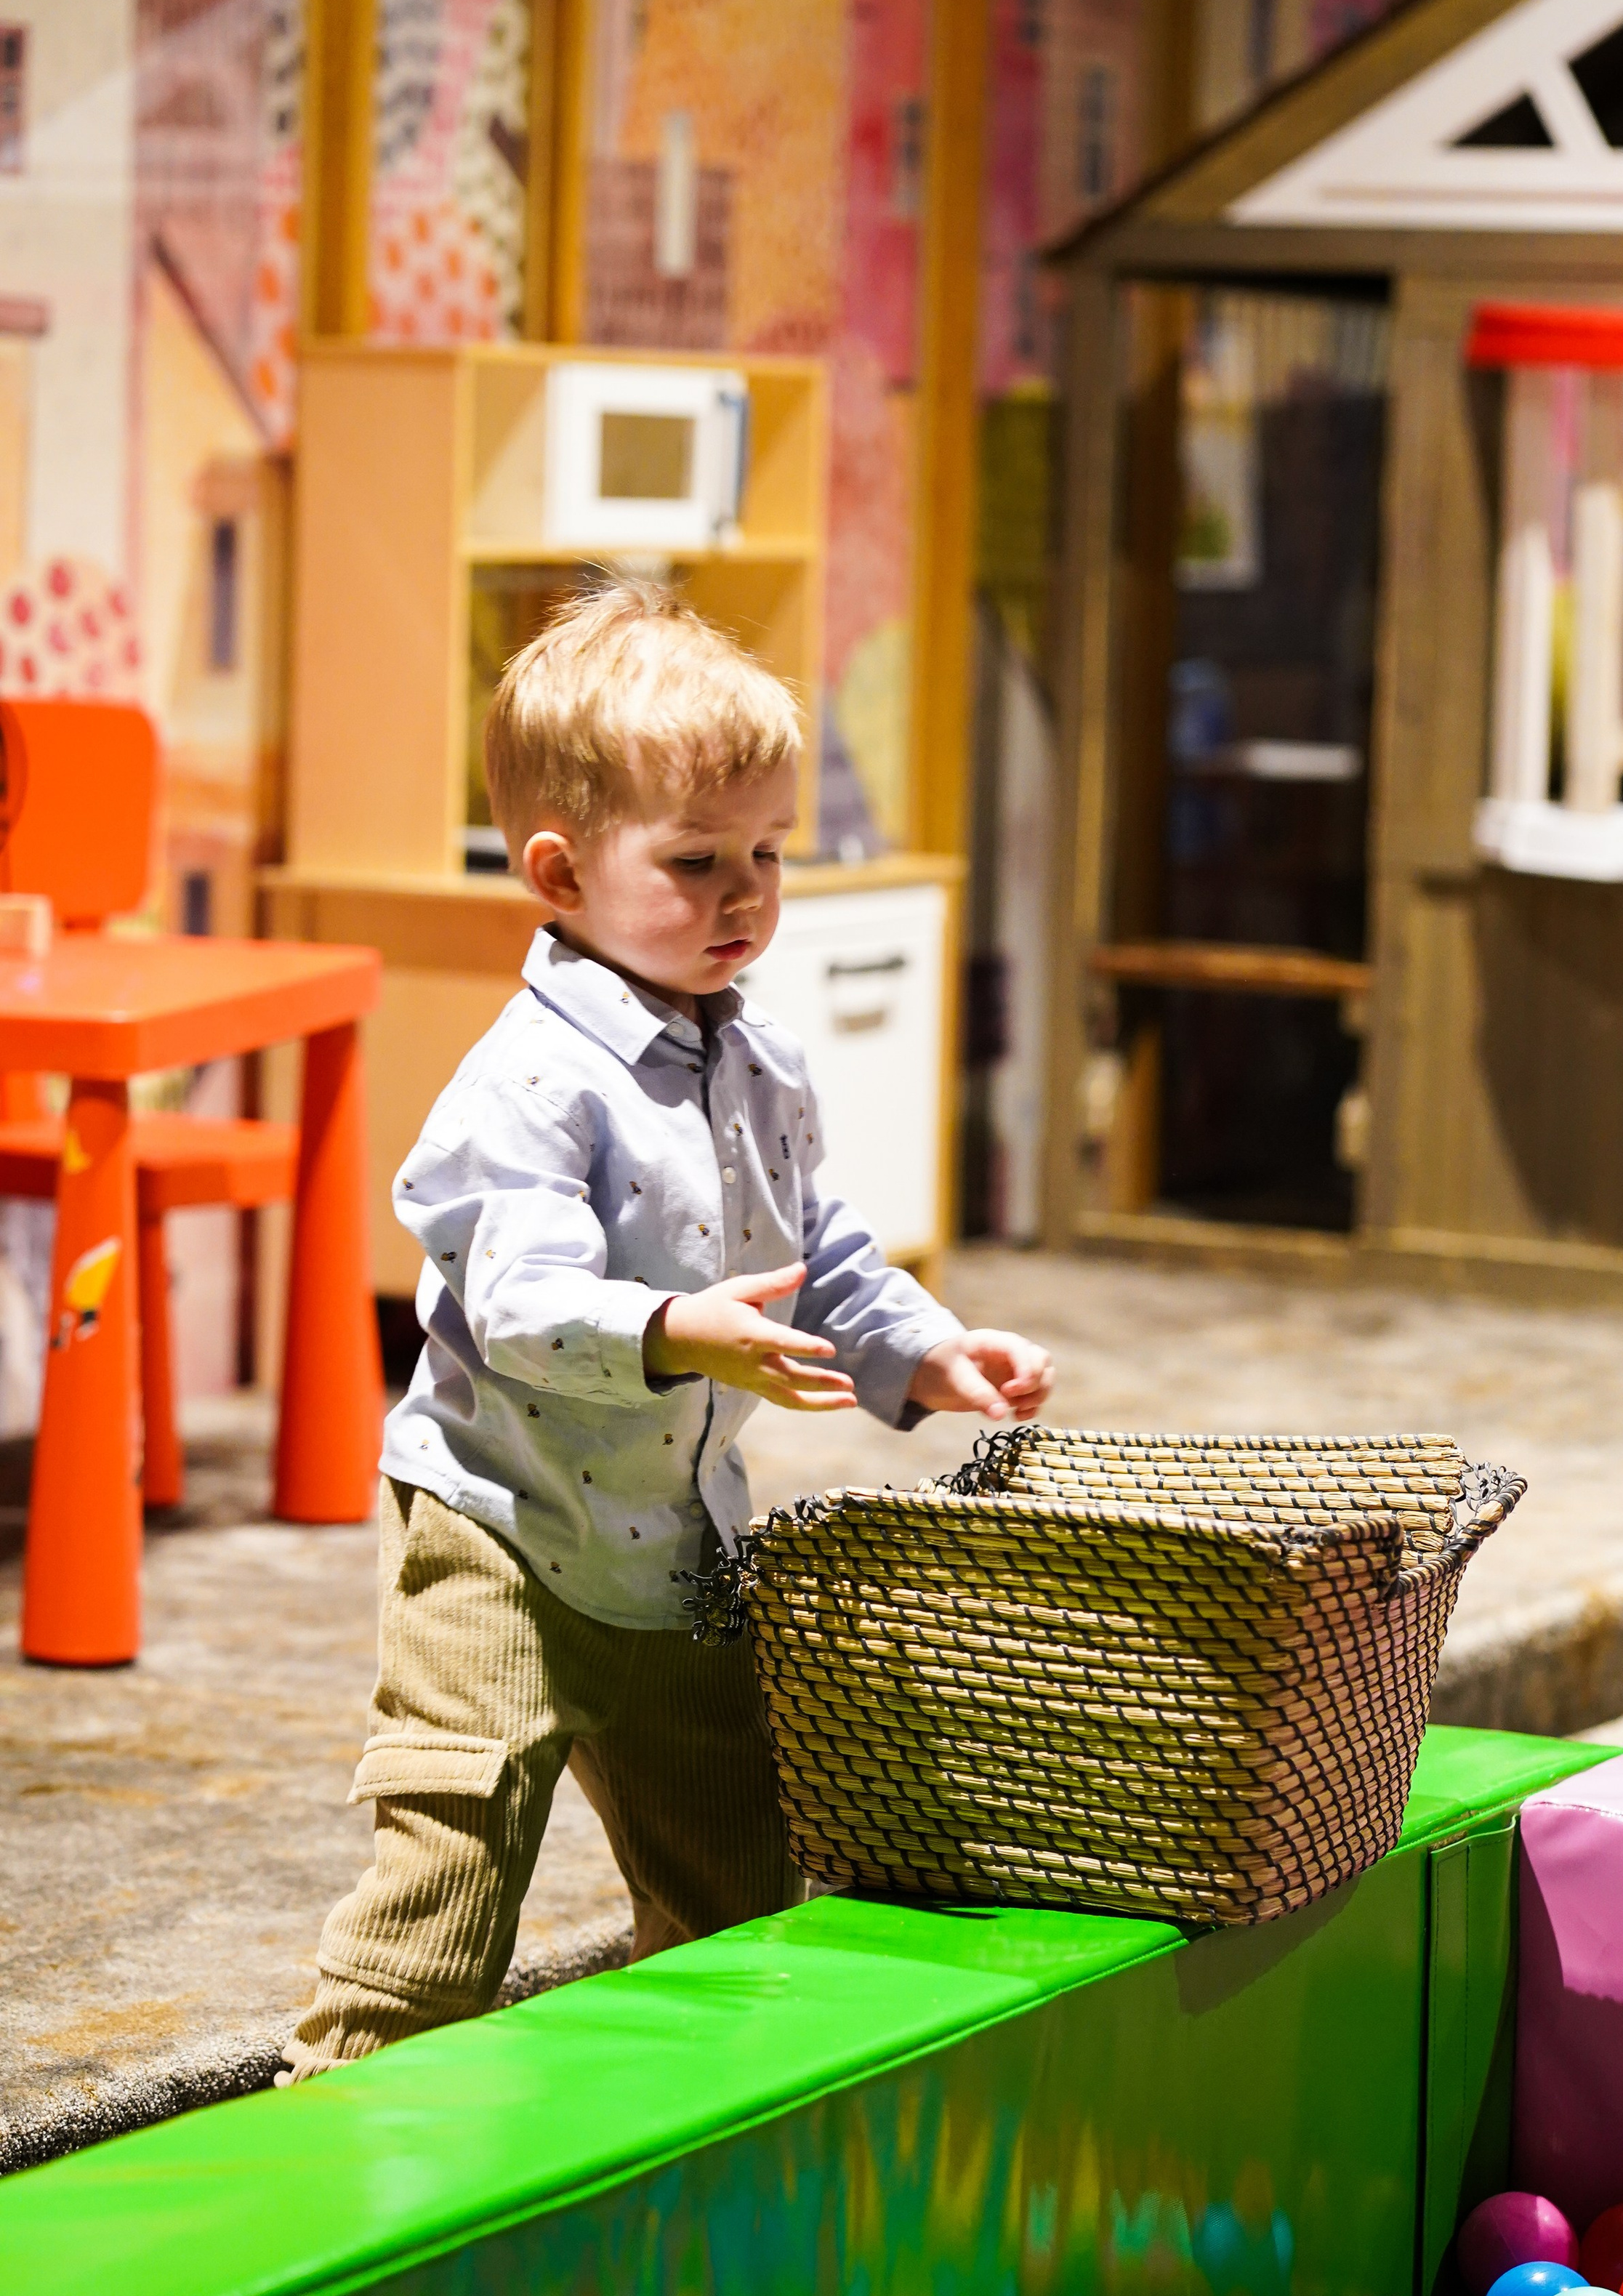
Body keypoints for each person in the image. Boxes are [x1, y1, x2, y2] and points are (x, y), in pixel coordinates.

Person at [284, 583, 1054, 2075]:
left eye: (766, 855)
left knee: (739, 1892)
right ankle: (334, 2132)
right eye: (695, 862)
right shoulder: (528, 1082)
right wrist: (668, 1328)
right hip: (497, 1535)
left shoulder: (755, 1058)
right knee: (444, 1879)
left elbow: (814, 1245)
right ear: (559, 874)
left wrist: (922, 1350)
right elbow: (514, 1302)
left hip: (677, 1554)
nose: (744, 896)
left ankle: (692, 2135)